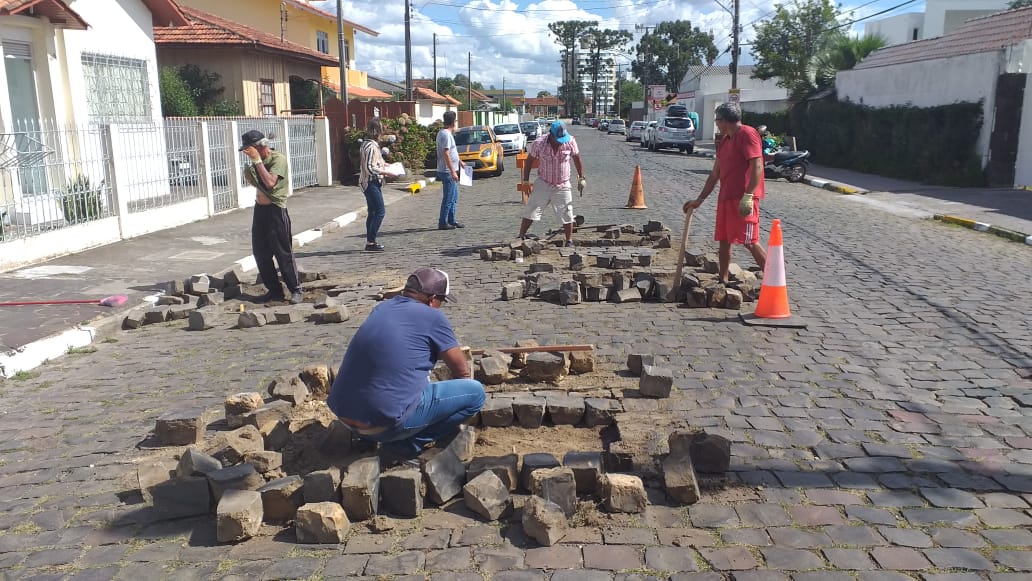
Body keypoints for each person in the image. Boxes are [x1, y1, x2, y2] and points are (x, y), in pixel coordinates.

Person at [326, 267, 485, 465]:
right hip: (384, 428)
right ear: (432, 298)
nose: (440, 306)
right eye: (441, 301)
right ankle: (407, 445)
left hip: (345, 418)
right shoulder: (433, 317)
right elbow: (462, 373)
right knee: (476, 393)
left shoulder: (383, 308)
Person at [683, 103, 767, 285]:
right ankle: (723, 279)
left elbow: (757, 165)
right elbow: (714, 175)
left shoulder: (747, 134)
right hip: (726, 197)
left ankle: (774, 280)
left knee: (749, 240)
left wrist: (749, 195)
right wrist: (699, 199)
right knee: (724, 239)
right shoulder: (724, 141)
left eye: (717, 121)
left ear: (725, 120)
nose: (716, 124)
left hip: (743, 198)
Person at [239, 130, 302, 304]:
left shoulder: (277, 159)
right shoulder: (254, 164)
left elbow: (270, 183)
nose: (247, 153)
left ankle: (295, 289)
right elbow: (257, 183)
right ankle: (274, 290)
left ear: (259, 147)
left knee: (282, 252)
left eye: (250, 149)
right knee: (260, 252)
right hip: (260, 210)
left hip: (276, 210)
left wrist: (257, 161)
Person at [518, 120, 585, 247]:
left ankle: (569, 240)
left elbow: (577, 159)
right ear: (551, 135)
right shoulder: (539, 143)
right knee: (531, 209)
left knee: (567, 212)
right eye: (557, 139)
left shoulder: (570, 141)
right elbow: (529, 162)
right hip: (544, 182)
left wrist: (581, 178)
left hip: (562, 184)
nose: (560, 142)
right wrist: (526, 181)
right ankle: (521, 235)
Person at [359, 118, 397, 251]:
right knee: (380, 211)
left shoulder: (368, 144)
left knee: (373, 212)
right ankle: (371, 241)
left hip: (369, 182)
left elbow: (375, 162)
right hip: (370, 182)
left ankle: (370, 241)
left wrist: (387, 165)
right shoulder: (370, 146)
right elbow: (370, 167)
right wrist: (386, 172)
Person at [436, 111, 466, 230]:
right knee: (448, 197)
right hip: (447, 171)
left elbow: (453, 152)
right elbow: (446, 153)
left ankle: (452, 220)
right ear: (453, 122)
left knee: (454, 197)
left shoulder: (445, 133)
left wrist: (460, 162)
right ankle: (443, 222)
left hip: (450, 170)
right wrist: (453, 171)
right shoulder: (446, 135)